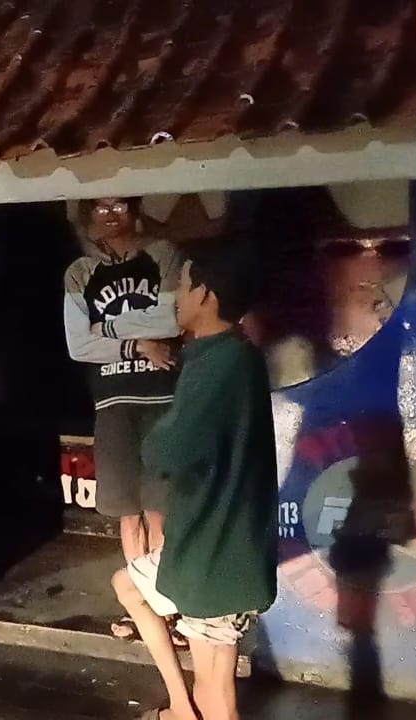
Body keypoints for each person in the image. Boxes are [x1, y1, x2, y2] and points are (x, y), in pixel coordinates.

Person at [111, 237, 278, 720]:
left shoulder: (221, 363)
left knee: (217, 695)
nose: (175, 297)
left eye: (182, 286)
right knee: (128, 584)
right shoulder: (223, 355)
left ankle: (191, 710)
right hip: (205, 546)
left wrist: (155, 438)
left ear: (205, 295)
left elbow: (167, 450)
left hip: (216, 554)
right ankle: (181, 708)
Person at [63, 196, 184, 640]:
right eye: (100, 207)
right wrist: (137, 344)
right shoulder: (79, 272)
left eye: (118, 205)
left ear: (134, 211)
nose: (110, 214)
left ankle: (169, 607)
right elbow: (78, 345)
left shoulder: (163, 254)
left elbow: (170, 320)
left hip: (162, 398)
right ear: (88, 217)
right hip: (112, 403)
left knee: (161, 512)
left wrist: (106, 329)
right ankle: (142, 608)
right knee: (127, 514)